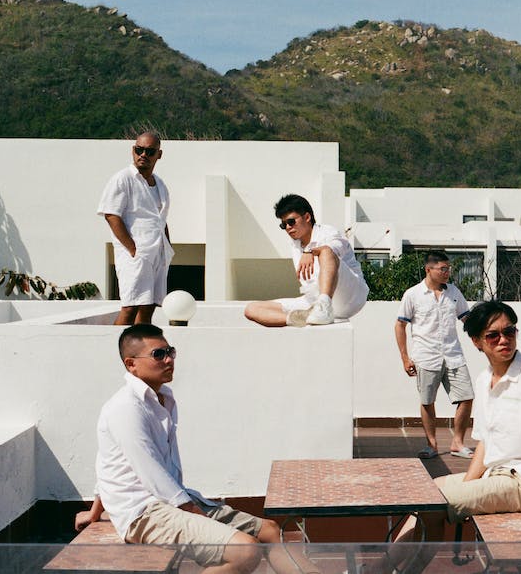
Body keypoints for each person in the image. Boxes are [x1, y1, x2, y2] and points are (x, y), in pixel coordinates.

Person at [75, 324, 319, 574]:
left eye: (170, 351)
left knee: (269, 531)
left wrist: (94, 512)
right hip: (143, 513)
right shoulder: (125, 408)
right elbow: (150, 473)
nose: (169, 359)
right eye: (159, 355)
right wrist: (195, 513)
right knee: (245, 550)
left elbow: (110, 460)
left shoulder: (163, 399)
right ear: (131, 364)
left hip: (173, 501)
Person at [376, 300, 521, 574]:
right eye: (493, 335)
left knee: (432, 504)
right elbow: (485, 443)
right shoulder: (484, 381)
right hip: (495, 476)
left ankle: (378, 571)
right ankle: (380, 569)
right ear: (477, 342)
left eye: (509, 332)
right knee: (426, 495)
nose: (503, 340)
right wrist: (467, 490)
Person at [244, 194, 369, 327]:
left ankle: (324, 305)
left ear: (307, 217)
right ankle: (298, 319)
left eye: (291, 222)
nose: (287, 227)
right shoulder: (295, 245)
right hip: (313, 300)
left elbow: (336, 248)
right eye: (283, 225)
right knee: (252, 309)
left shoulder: (327, 232)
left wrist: (309, 251)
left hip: (349, 296)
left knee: (326, 251)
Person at [396, 251, 474, 460]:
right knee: (427, 400)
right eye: (443, 269)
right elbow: (400, 325)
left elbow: (467, 319)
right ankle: (431, 444)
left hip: (454, 355)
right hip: (426, 356)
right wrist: (405, 357)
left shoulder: (454, 292)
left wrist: (484, 338)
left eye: (449, 269)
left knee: (466, 397)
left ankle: (458, 443)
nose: (447, 273)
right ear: (428, 269)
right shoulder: (412, 295)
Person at [97, 132, 173, 326]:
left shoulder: (160, 184)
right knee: (130, 306)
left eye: (149, 151)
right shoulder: (123, 179)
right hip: (136, 255)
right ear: (133, 150)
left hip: (157, 253)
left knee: (149, 306)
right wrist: (132, 249)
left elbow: (161, 219)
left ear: (159, 154)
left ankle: (141, 351)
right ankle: (113, 349)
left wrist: (167, 247)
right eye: (139, 150)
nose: (143, 155)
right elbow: (111, 214)